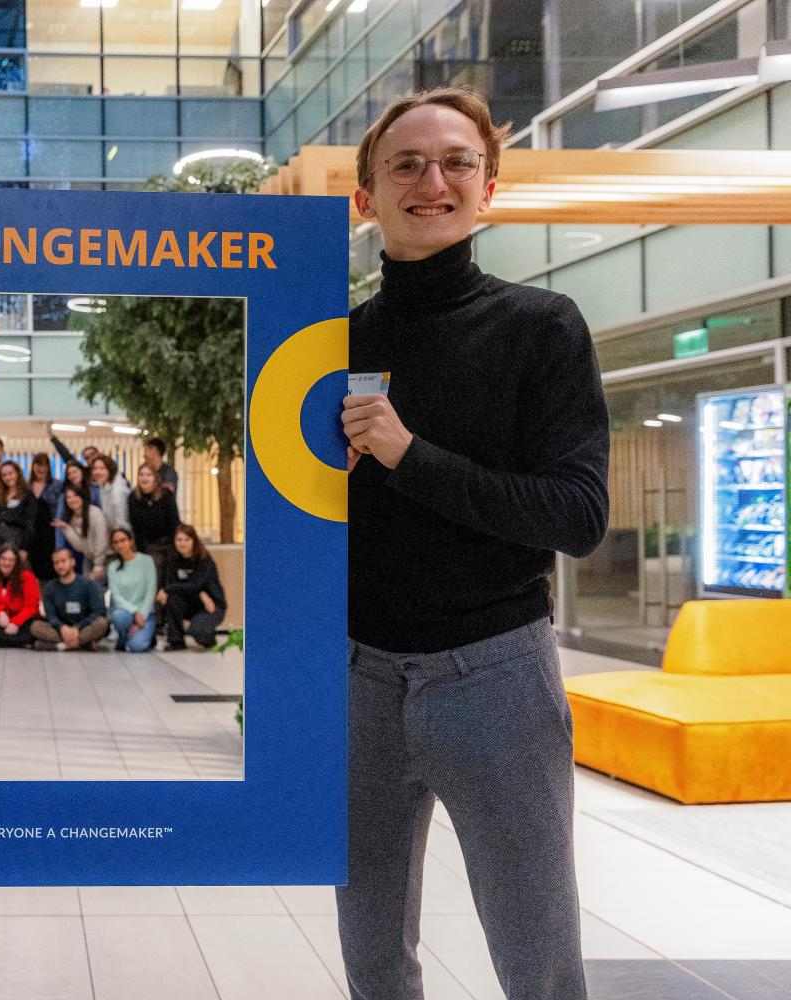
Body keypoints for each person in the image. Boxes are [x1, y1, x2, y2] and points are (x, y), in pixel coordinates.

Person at [338, 87, 609, 1000]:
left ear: (488, 187)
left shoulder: (541, 327)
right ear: (365, 196)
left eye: (457, 162)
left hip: (495, 676)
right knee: (372, 957)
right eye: (406, 164)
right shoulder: (330, 342)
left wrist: (408, 455)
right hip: (357, 680)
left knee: (536, 959)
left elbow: (576, 514)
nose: (433, 180)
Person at [157, 523, 225, 650]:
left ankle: (207, 636)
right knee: (172, 598)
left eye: (187, 539)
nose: (182, 543)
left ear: (194, 541)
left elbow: (195, 584)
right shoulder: (172, 559)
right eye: (179, 540)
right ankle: (176, 641)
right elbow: (172, 583)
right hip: (191, 602)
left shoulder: (204, 559)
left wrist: (167, 589)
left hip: (211, 606)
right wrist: (200, 593)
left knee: (198, 631)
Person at [32, 547, 108, 652]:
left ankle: (62, 645)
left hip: (84, 627)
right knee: (35, 626)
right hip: (60, 629)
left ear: (72, 562)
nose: (60, 566)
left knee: (102, 623)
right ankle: (83, 644)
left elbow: (99, 611)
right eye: (56, 563)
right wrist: (62, 627)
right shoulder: (50, 587)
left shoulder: (88, 584)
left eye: (63, 561)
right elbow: (51, 616)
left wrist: (77, 628)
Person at [0, 544, 39, 647]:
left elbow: (31, 607)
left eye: (11, 560)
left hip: (20, 619)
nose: (7, 563)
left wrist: (15, 623)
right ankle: (19, 642)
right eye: (3, 559)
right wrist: (0, 612)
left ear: (16, 562)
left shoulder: (27, 577)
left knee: (33, 626)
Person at [106, 528, 157, 653]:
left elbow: (151, 590)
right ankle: (124, 638)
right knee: (118, 616)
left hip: (146, 614)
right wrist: (135, 613)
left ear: (131, 541)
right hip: (125, 613)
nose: (119, 545)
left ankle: (142, 636)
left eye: (123, 540)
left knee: (136, 647)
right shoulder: (113, 567)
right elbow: (116, 597)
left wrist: (141, 615)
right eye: (116, 542)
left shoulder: (146, 561)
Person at [128, 462, 177, 575]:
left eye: (148, 475)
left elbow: (174, 521)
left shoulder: (166, 495)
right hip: (147, 546)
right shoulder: (133, 497)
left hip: (167, 543)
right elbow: (135, 526)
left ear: (155, 478)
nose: (144, 478)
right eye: (141, 474)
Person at [55, 481, 109, 580]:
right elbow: (81, 546)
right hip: (90, 558)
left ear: (82, 497)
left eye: (75, 495)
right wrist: (66, 528)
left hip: (105, 559)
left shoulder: (94, 513)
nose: (72, 499)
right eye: (68, 497)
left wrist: (98, 564)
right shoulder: (73, 518)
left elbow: (102, 540)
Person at [0, 460, 42, 561]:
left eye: (10, 473)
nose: (7, 477)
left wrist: (24, 548)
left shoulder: (28, 496)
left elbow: (30, 524)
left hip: (17, 541)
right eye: (4, 475)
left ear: (18, 473)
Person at [90, 454, 131, 535]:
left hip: (125, 537)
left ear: (110, 470)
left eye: (102, 468)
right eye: (95, 468)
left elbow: (121, 522)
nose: (97, 472)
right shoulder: (103, 486)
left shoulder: (118, 490)